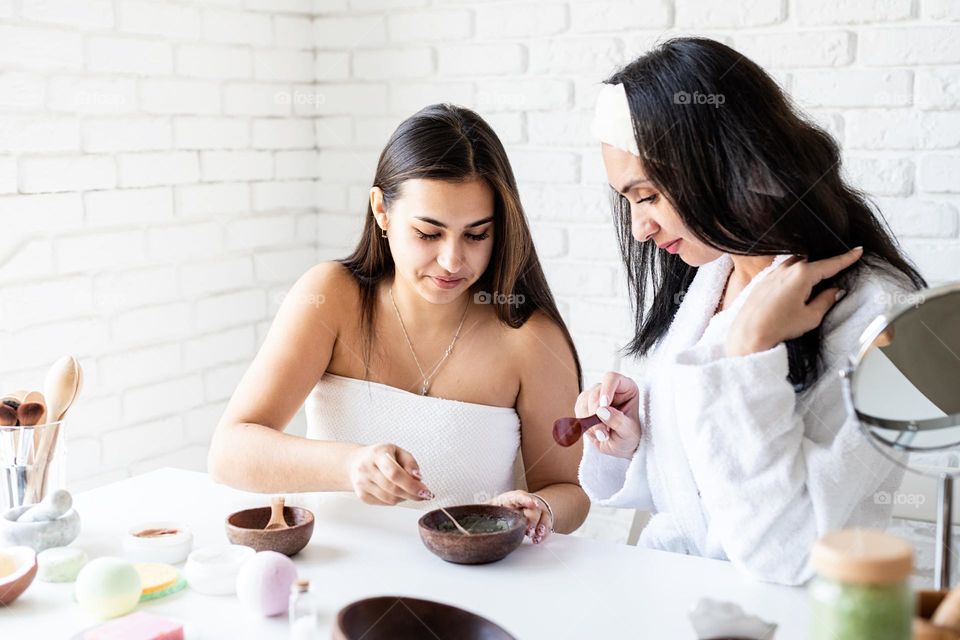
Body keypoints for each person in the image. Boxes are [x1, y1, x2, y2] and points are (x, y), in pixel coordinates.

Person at [576, 37, 927, 584]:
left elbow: (790, 551)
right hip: (679, 590)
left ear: (716, 163)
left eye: (646, 197)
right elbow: (694, 498)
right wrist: (638, 440)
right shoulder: (710, 279)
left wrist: (749, 356)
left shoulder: (878, 315)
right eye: (628, 202)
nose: (640, 230)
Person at [209, 104, 589, 544]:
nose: (452, 260)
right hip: (331, 573)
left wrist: (540, 508)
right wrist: (350, 465)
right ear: (381, 211)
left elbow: (571, 492)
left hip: (468, 588)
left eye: (476, 234)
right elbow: (229, 452)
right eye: (429, 233)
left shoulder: (528, 338)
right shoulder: (332, 297)